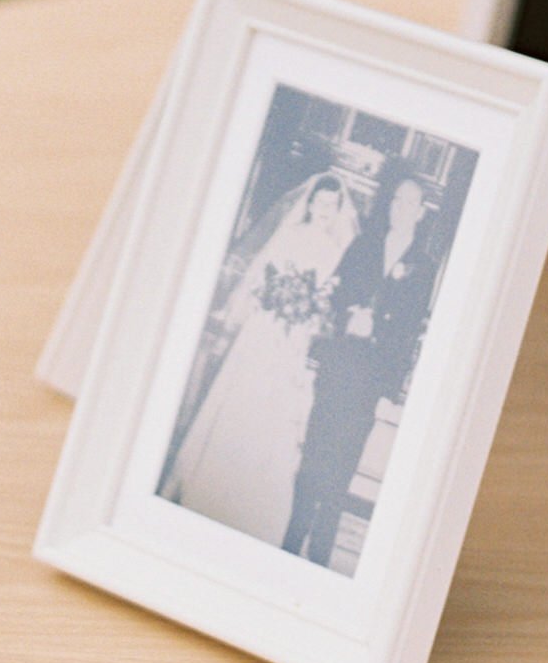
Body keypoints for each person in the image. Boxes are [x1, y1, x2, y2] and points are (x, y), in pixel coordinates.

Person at [162, 172, 357, 547]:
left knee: (274, 406)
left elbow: (324, 302)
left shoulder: (335, 252)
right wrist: (275, 301)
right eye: (319, 202)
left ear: (337, 210)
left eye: (331, 206)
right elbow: (259, 280)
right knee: (243, 394)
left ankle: (255, 494)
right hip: (264, 329)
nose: (324, 211)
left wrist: (303, 318)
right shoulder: (289, 235)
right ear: (311, 202)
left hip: (293, 339)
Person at [286, 173, 447, 568]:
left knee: (344, 459)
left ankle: (322, 544)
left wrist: (383, 347)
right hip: (339, 363)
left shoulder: (423, 266)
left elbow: (410, 328)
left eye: (410, 203)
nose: (400, 209)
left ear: (421, 212)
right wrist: (348, 316)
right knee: (317, 448)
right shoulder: (364, 244)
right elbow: (335, 294)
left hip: (372, 375)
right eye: (395, 201)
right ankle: (294, 536)